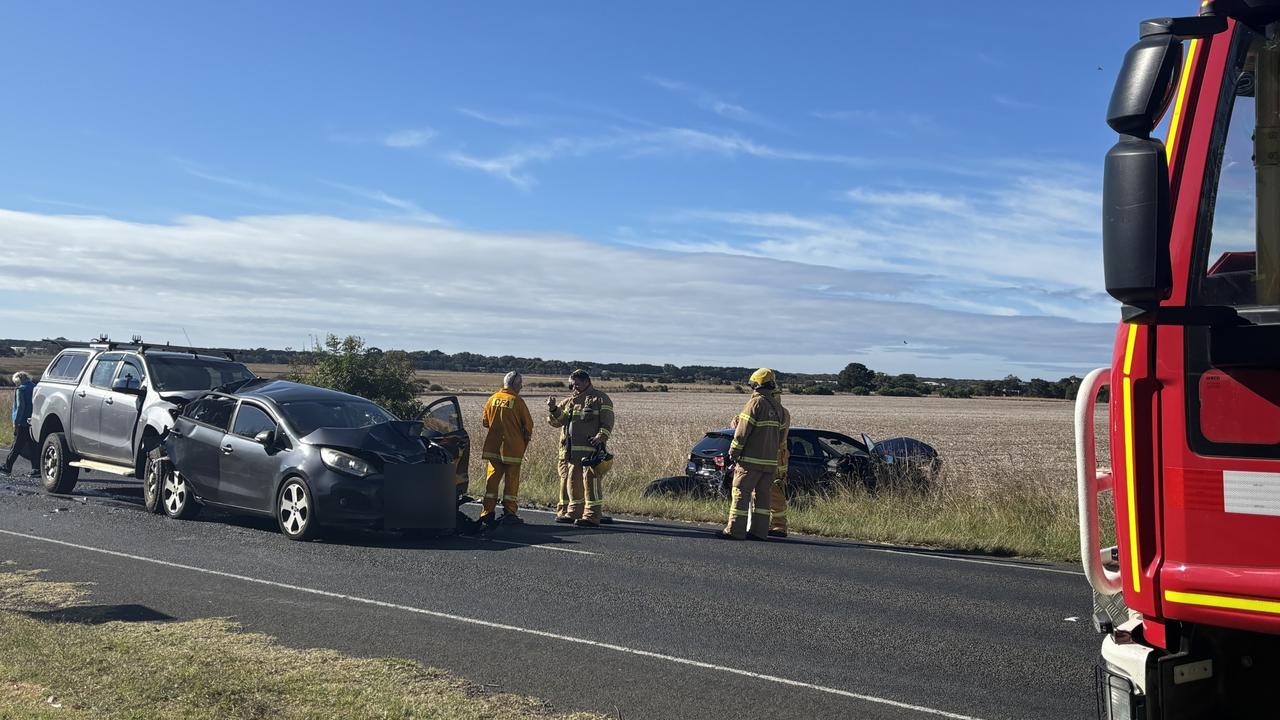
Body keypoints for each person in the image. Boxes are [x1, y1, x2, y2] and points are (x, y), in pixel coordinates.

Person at [719, 368, 788, 541]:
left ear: (756, 384)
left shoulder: (755, 404)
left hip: (750, 462)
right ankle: (759, 532)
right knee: (763, 498)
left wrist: (733, 453)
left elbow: (742, 433)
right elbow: (780, 439)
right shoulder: (780, 409)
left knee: (740, 494)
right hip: (769, 464)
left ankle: (735, 531)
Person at [547, 369, 614, 527]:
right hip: (571, 453)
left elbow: (608, 420)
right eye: (572, 385)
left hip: (591, 452)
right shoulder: (569, 401)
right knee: (573, 482)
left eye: (577, 384)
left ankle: (592, 516)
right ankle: (574, 512)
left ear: (587, 382)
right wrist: (552, 409)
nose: (574, 387)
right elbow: (557, 422)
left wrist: (601, 436)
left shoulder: (600, 398)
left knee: (591, 483)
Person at [479, 372, 534, 526]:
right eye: (520, 383)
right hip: (513, 450)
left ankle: (487, 512)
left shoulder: (492, 399)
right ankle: (509, 513)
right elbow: (528, 426)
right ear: (515, 384)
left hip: (493, 448)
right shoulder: (517, 401)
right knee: (511, 482)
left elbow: (485, 422)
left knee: (492, 482)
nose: (522, 386)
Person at [2, 372, 37, 477]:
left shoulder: (21, 390)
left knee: (16, 446)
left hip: (22, 422)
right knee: (33, 446)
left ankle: (7, 467)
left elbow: (20, 407)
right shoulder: (35, 388)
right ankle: (37, 469)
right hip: (33, 421)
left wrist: (16, 423)